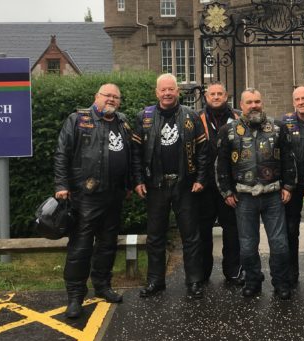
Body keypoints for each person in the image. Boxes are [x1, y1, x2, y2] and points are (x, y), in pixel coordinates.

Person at [54, 83, 132, 318]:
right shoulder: (78, 119)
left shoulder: (123, 121)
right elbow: (62, 153)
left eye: (115, 97)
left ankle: (102, 286)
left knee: (108, 244)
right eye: (107, 95)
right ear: (96, 97)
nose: (111, 100)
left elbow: (130, 154)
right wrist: (61, 185)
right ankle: (76, 296)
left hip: (114, 195)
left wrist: (128, 184)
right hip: (85, 195)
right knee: (81, 246)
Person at [132, 73, 210, 299]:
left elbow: (203, 153)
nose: (167, 93)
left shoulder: (191, 116)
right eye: (163, 90)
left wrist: (200, 179)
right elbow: (136, 154)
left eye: (171, 89)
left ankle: (194, 281)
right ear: (157, 93)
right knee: (155, 236)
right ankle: (155, 281)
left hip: (185, 185)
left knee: (191, 236)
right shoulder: (144, 117)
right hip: (155, 185)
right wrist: (138, 180)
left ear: (178, 91)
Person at [216, 88, 296, 299]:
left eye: (257, 101)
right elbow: (221, 165)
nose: (254, 105)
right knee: (248, 246)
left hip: (273, 196)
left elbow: (289, 158)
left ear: (262, 102)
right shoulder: (228, 130)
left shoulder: (277, 128)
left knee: (279, 244)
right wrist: (226, 192)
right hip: (243, 198)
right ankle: (253, 280)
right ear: (240, 105)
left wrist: (288, 186)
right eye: (249, 102)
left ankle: (281, 282)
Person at [197, 82, 244, 285]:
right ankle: (202, 272)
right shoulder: (196, 118)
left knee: (232, 231)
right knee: (203, 231)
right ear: (206, 97)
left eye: (220, 94)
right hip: (204, 186)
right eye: (212, 94)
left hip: (230, 186)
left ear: (226, 96)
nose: (216, 97)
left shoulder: (238, 117)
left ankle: (233, 271)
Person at [281, 86, 304, 287]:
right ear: (293, 101)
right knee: (290, 230)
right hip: (292, 184)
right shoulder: (284, 122)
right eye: (298, 99)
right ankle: (291, 274)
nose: (301, 102)